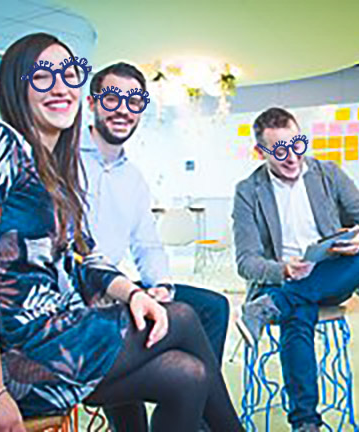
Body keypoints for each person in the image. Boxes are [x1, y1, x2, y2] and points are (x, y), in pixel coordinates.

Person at [0, 33, 244, 432]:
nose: (60, 87)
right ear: (16, 84)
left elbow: (85, 259)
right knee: (183, 317)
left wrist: (135, 293)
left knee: (188, 376)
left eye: (69, 75)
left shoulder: (55, 172)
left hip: (57, 335)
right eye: (42, 76)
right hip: (11, 355)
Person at [81, 62, 231, 431]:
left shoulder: (133, 177)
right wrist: (125, 291)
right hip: (84, 294)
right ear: (92, 103)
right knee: (183, 324)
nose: (123, 109)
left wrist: (160, 284)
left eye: (134, 101)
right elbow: (76, 253)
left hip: (119, 288)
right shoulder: (63, 161)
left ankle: (197, 416)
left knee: (213, 306)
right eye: (112, 98)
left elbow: (146, 243)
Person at [231, 107, 359, 432]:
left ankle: (271, 305)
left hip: (330, 276)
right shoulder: (248, 191)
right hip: (283, 279)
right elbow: (246, 262)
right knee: (298, 313)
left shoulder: (328, 173)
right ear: (260, 152)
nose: (292, 157)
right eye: (280, 151)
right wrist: (284, 271)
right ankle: (306, 422)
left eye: (297, 145)